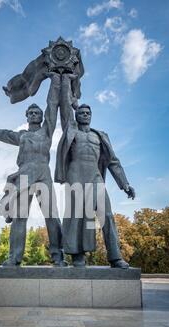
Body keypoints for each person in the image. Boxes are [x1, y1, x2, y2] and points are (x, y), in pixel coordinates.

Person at [0, 73, 65, 266]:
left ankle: (58, 256)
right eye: (31, 113)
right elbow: (7, 134)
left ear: (42, 117)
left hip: (44, 173)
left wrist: (55, 81)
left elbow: (52, 104)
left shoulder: (47, 131)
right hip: (25, 174)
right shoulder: (22, 136)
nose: (34, 115)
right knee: (20, 217)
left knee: (52, 216)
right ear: (27, 116)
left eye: (37, 113)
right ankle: (14, 257)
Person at [55, 74, 136, 268]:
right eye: (81, 112)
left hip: (95, 177)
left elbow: (113, 162)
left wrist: (124, 184)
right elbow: (65, 106)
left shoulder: (100, 136)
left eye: (87, 113)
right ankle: (77, 255)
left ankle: (115, 257)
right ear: (76, 115)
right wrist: (66, 81)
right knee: (76, 216)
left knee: (106, 215)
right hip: (75, 175)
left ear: (91, 116)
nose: (84, 114)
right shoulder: (71, 131)